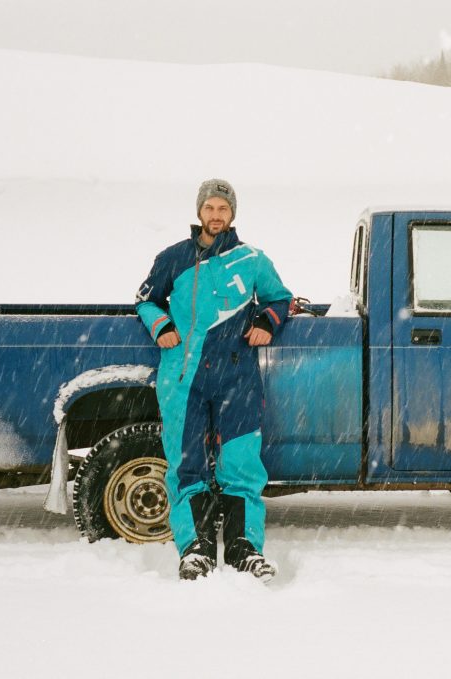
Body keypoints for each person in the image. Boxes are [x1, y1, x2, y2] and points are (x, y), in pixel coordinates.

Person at [135, 179, 291, 581]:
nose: (216, 216)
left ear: (232, 214)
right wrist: (161, 325)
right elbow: (145, 298)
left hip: (237, 376)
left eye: (223, 209)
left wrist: (266, 322)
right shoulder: (173, 258)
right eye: (210, 208)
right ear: (200, 212)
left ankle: (244, 549)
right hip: (184, 378)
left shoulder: (252, 260)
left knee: (241, 467)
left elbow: (280, 298)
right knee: (187, 466)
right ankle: (196, 549)